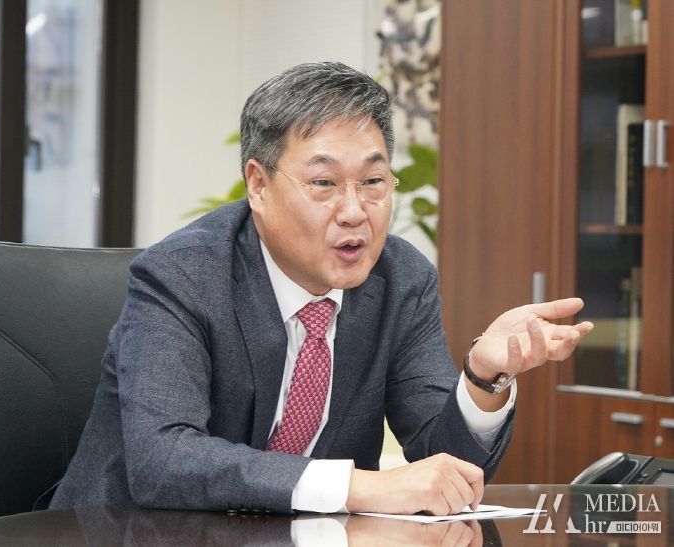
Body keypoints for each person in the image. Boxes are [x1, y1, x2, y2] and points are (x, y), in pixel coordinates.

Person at [50, 62, 593, 516]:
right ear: (258, 185)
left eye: (373, 182)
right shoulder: (184, 274)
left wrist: (482, 376)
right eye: (324, 183)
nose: (355, 211)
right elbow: (164, 460)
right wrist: (357, 487)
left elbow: (443, 467)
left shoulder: (401, 279)